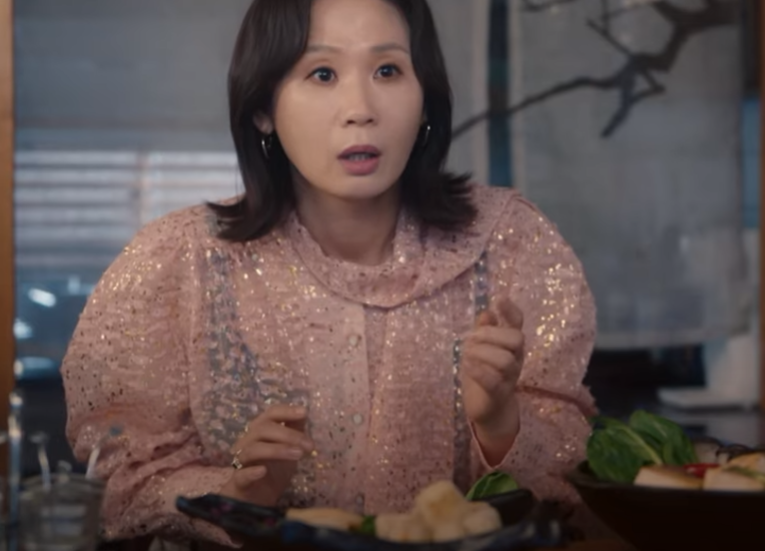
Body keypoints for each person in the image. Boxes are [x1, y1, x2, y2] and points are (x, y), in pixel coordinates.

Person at [61, 0, 597, 546]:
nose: (360, 109)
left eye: (387, 70)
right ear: (262, 108)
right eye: (322, 73)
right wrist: (236, 494)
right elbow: (119, 483)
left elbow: (569, 477)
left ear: (425, 98)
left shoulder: (509, 242)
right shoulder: (180, 260)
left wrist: (501, 425)